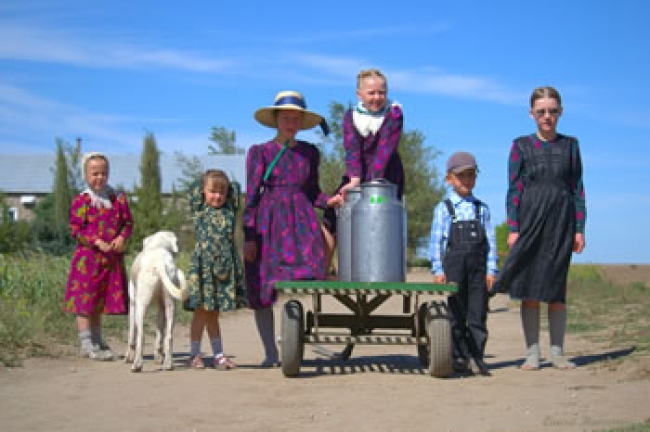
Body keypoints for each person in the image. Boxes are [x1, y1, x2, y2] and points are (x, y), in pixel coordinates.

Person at [490, 86, 586, 371]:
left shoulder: (571, 145)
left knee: (557, 288)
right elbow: (514, 190)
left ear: (560, 112)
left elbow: (577, 189)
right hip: (530, 222)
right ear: (531, 114)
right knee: (529, 288)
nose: (547, 116)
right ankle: (532, 354)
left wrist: (579, 228)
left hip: (562, 222)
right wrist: (513, 227)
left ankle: (557, 353)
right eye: (541, 111)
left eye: (552, 111)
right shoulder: (520, 145)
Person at [244, 90, 342, 367]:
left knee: (303, 280)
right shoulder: (259, 152)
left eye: (295, 118)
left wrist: (330, 201)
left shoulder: (309, 153)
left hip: (301, 226)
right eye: (285, 117)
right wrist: (249, 235)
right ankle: (270, 353)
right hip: (269, 224)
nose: (290, 122)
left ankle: (297, 341)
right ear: (276, 119)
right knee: (263, 288)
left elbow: (313, 192)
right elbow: (251, 196)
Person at [322, 68, 404, 273]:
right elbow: (351, 148)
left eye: (381, 92)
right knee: (334, 211)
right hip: (357, 172)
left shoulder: (394, 113)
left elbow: (385, 149)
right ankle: (322, 269)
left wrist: (373, 184)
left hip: (386, 175)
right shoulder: (351, 116)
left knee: (377, 212)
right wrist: (355, 178)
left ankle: (373, 268)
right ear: (359, 94)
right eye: (371, 93)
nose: (377, 97)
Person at [429, 152, 498, 375]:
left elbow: (490, 241)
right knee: (456, 313)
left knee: (477, 313)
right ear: (449, 179)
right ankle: (458, 357)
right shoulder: (444, 208)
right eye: (461, 176)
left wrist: (491, 269)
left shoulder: (482, 209)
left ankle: (476, 356)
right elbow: (437, 241)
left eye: (471, 175)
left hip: (478, 268)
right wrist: (438, 269)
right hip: (455, 267)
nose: (467, 180)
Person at [63, 152, 133, 360]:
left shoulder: (118, 198)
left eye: (103, 173)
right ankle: (86, 343)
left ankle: (98, 339)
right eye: (94, 173)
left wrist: (121, 238)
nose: (99, 178)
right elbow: (76, 228)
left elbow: (128, 223)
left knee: (99, 301)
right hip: (88, 261)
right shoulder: (81, 200)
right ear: (86, 174)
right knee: (85, 302)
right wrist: (95, 241)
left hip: (110, 260)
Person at [184, 169, 245, 370]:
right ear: (203, 191)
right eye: (212, 191)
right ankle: (195, 355)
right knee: (201, 312)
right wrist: (206, 180)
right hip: (203, 268)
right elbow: (193, 188)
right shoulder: (199, 209)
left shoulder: (229, 210)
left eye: (222, 192)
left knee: (214, 314)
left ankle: (218, 355)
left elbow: (236, 189)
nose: (217, 196)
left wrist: (223, 184)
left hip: (223, 268)